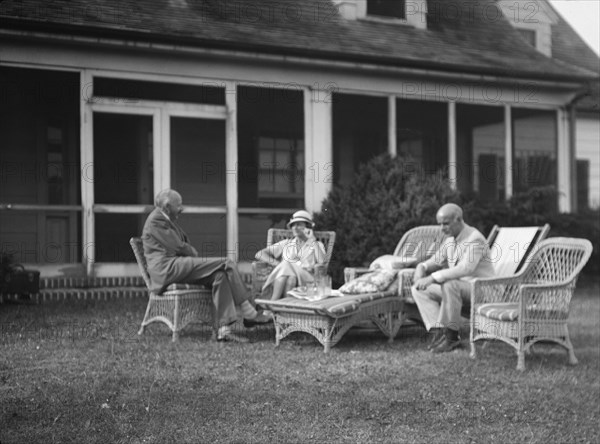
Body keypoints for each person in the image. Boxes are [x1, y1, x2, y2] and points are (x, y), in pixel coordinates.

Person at [142, 189, 270, 343]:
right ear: (167, 206)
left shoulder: (166, 220)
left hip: (176, 265)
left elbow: (182, 245)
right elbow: (180, 247)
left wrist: (188, 249)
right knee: (226, 262)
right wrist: (190, 250)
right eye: (179, 205)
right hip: (167, 268)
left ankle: (224, 330)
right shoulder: (156, 220)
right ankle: (248, 310)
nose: (182, 209)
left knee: (220, 276)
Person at [411, 203, 494, 353]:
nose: (442, 228)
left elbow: (465, 269)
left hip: (482, 290)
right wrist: (421, 267)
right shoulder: (450, 239)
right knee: (419, 289)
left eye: (446, 223)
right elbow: (436, 260)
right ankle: (438, 332)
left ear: (459, 219)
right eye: (440, 224)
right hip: (459, 290)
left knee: (449, 285)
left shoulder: (475, 239)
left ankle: (452, 338)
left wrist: (432, 278)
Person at [255, 210, 327, 302]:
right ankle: (284, 309)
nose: (295, 227)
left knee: (286, 263)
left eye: (299, 224)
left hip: (307, 280)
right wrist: (278, 264)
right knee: (291, 278)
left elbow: (322, 262)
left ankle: (273, 302)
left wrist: (312, 240)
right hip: (287, 277)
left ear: (308, 227)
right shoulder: (286, 243)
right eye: (293, 225)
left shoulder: (317, 244)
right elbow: (260, 254)